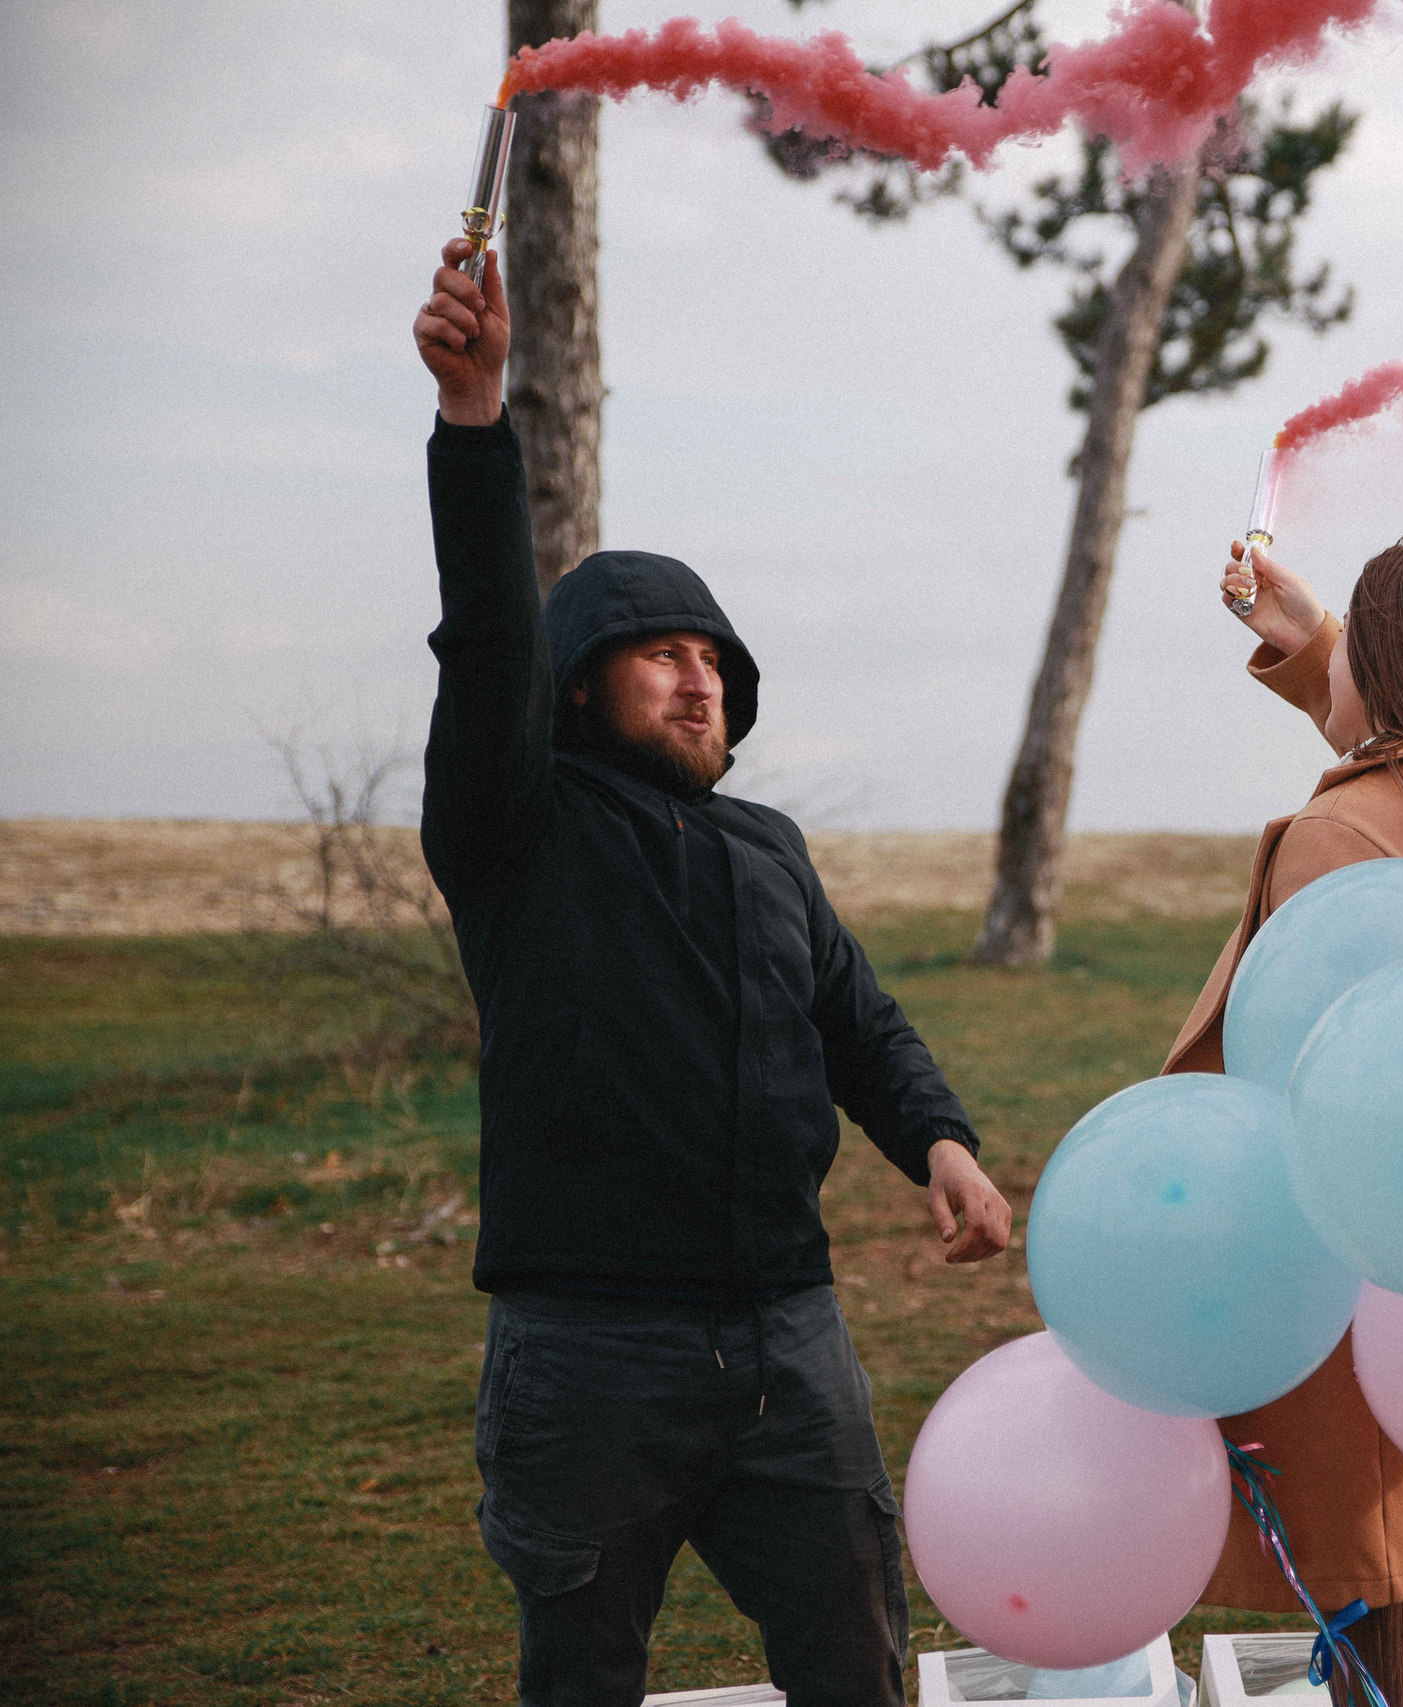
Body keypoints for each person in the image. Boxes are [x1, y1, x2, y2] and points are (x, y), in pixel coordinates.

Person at [412, 236, 1012, 1707]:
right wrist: (477, 418)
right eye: (659, 654)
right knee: (583, 1675)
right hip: (587, 1352)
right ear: (578, 685)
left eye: (713, 660)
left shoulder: (767, 845)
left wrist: (939, 1138)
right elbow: (486, 641)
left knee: (856, 1663)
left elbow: (856, 1022)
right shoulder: (521, 828)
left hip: (787, 1343)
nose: (698, 680)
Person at [1164, 527, 1403, 1707]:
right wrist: (1318, 646)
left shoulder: (1342, 836)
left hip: (1351, 1296)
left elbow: (1310, 1084)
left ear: (1389, 664)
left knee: (1398, 1620)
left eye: (1357, 642)